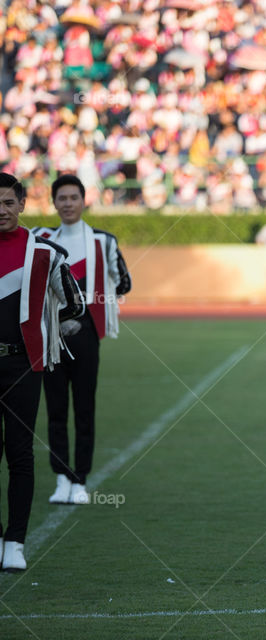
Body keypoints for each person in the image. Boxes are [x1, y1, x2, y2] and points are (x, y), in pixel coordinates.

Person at [0, 173, 83, 571]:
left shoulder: (45, 253)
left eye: (8, 203)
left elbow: (74, 304)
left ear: (21, 206)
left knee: (19, 454)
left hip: (22, 365)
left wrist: (46, 325)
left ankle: (14, 541)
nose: (1, 211)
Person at [33, 174, 132, 505]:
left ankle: (80, 480)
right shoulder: (40, 238)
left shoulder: (103, 241)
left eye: (73, 197)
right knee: (56, 409)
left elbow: (123, 282)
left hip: (87, 335)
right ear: (54, 202)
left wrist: (97, 301)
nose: (68, 203)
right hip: (51, 338)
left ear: (84, 200)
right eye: (61, 198)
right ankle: (61, 477)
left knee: (84, 409)